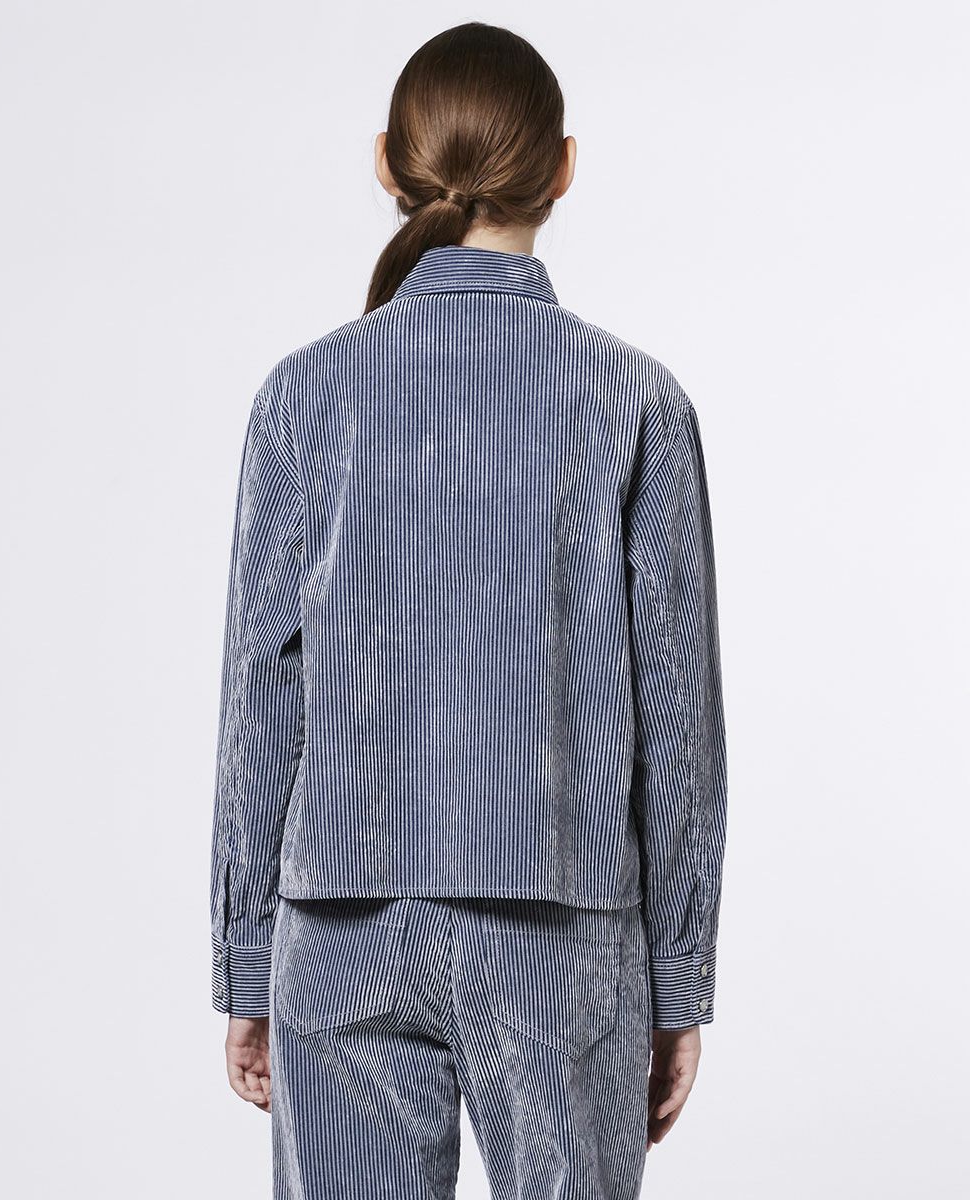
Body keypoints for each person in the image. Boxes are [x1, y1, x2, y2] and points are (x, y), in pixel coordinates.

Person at [209, 20, 728, 1200]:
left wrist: (246, 959)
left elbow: (261, 694)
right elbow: (677, 719)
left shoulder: (304, 393)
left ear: (386, 165)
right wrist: (678, 977)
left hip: (339, 926)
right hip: (562, 931)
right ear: (564, 168)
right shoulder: (633, 399)